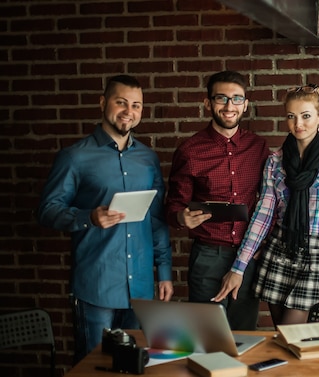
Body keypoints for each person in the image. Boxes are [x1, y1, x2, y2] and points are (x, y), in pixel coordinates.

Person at [37, 74, 173, 363]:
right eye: (121, 102)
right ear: (103, 103)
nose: (129, 111)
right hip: (96, 284)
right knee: (94, 365)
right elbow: (47, 210)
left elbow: (157, 220)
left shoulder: (148, 159)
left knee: (133, 364)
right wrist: (88, 217)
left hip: (140, 289)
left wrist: (163, 272)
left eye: (136, 105)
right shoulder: (74, 157)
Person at [214, 84, 319, 326]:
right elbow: (263, 216)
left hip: (316, 256)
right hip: (280, 251)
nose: (298, 123)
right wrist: (239, 268)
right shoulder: (275, 161)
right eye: (291, 116)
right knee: (284, 340)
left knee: (291, 333)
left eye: (306, 116)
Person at [165, 71, 270, 330]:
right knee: (208, 336)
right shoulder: (190, 151)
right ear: (208, 103)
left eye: (236, 99)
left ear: (245, 104)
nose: (229, 106)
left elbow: (271, 200)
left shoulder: (259, 147)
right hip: (208, 255)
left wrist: (262, 243)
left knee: (245, 335)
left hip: (248, 256)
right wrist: (181, 217)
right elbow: (173, 205)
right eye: (221, 98)